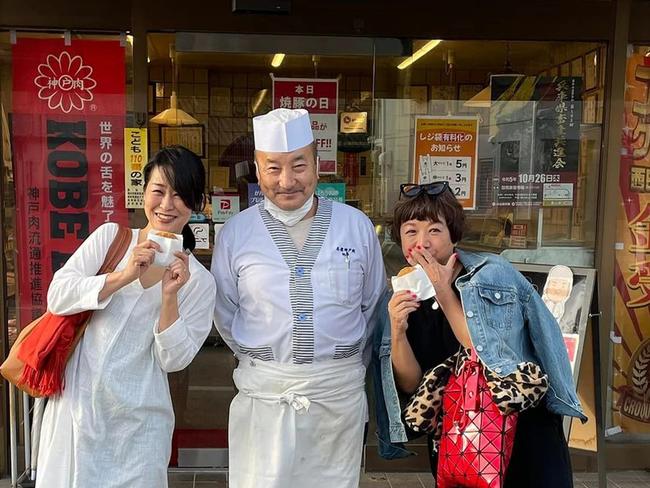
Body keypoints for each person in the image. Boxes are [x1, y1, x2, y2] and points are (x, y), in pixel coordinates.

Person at [211, 108, 386, 488]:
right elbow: (225, 312)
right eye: (273, 168)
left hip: (336, 399)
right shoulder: (236, 234)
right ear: (257, 170)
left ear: (318, 165)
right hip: (265, 396)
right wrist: (266, 359)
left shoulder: (355, 227)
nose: (287, 180)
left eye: (298, 166)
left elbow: (373, 307)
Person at [372, 181, 586, 487]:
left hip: (521, 433)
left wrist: (443, 291)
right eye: (411, 232)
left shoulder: (490, 275)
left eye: (434, 230)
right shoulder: (402, 295)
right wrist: (396, 330)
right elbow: (411, 383)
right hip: (461, 442)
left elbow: (488, 354)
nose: (423, 242)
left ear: (453, 235)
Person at [37, 146, 216, 488]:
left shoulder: (199, 282)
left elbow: (173, 361)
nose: (166, 205)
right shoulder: (111, 239)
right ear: (144, 192)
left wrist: (169, 298)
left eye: (180, 196)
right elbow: (58, 297)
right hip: (78, 411)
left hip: (141, 425)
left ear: (198, 203)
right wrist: (124, 275)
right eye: (159, 191)